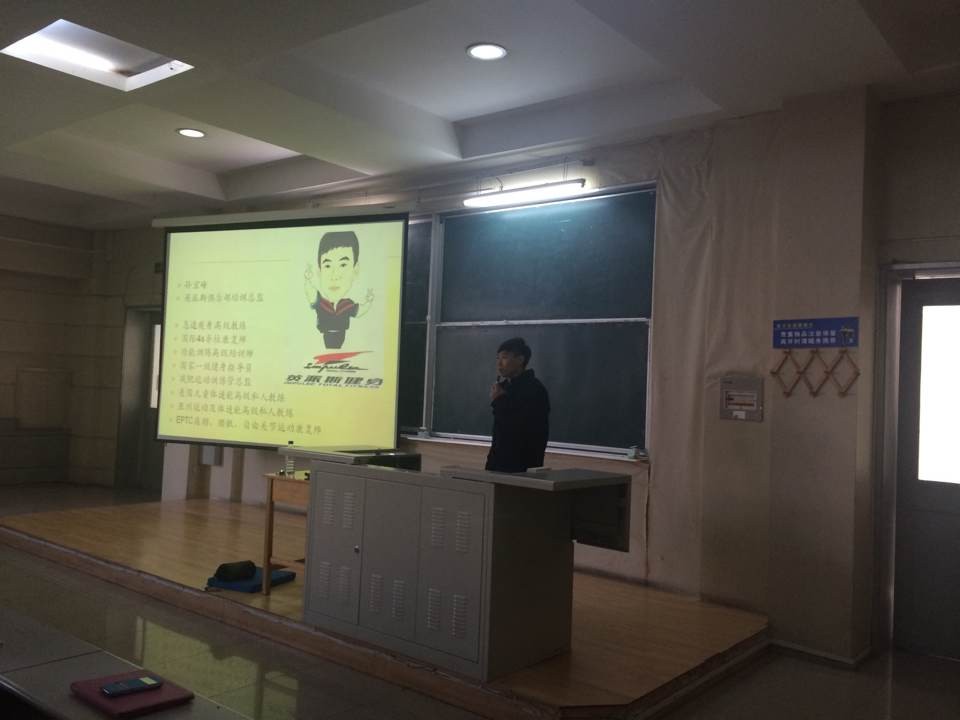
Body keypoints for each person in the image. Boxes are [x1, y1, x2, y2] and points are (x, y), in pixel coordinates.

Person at [485, 337, 550, 473]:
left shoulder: (534, 389)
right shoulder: (504, 387)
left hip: (522, 467)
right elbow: (500, 431)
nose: (499, 363)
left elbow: (518, 426)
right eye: (498, 358)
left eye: (504, 358)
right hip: (498, 464)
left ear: (520, 360)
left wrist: (500, 400)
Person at [304, 231, 373, 349]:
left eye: (343, 265)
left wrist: (369, 301)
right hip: (325, 335)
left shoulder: (347, 305)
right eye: (327, 266)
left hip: (342, 335)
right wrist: (307, 280)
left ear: (355, 270)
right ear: (319, 272)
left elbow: (360, 310)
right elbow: (311, 293)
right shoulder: (321, 303)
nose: (335, 276)